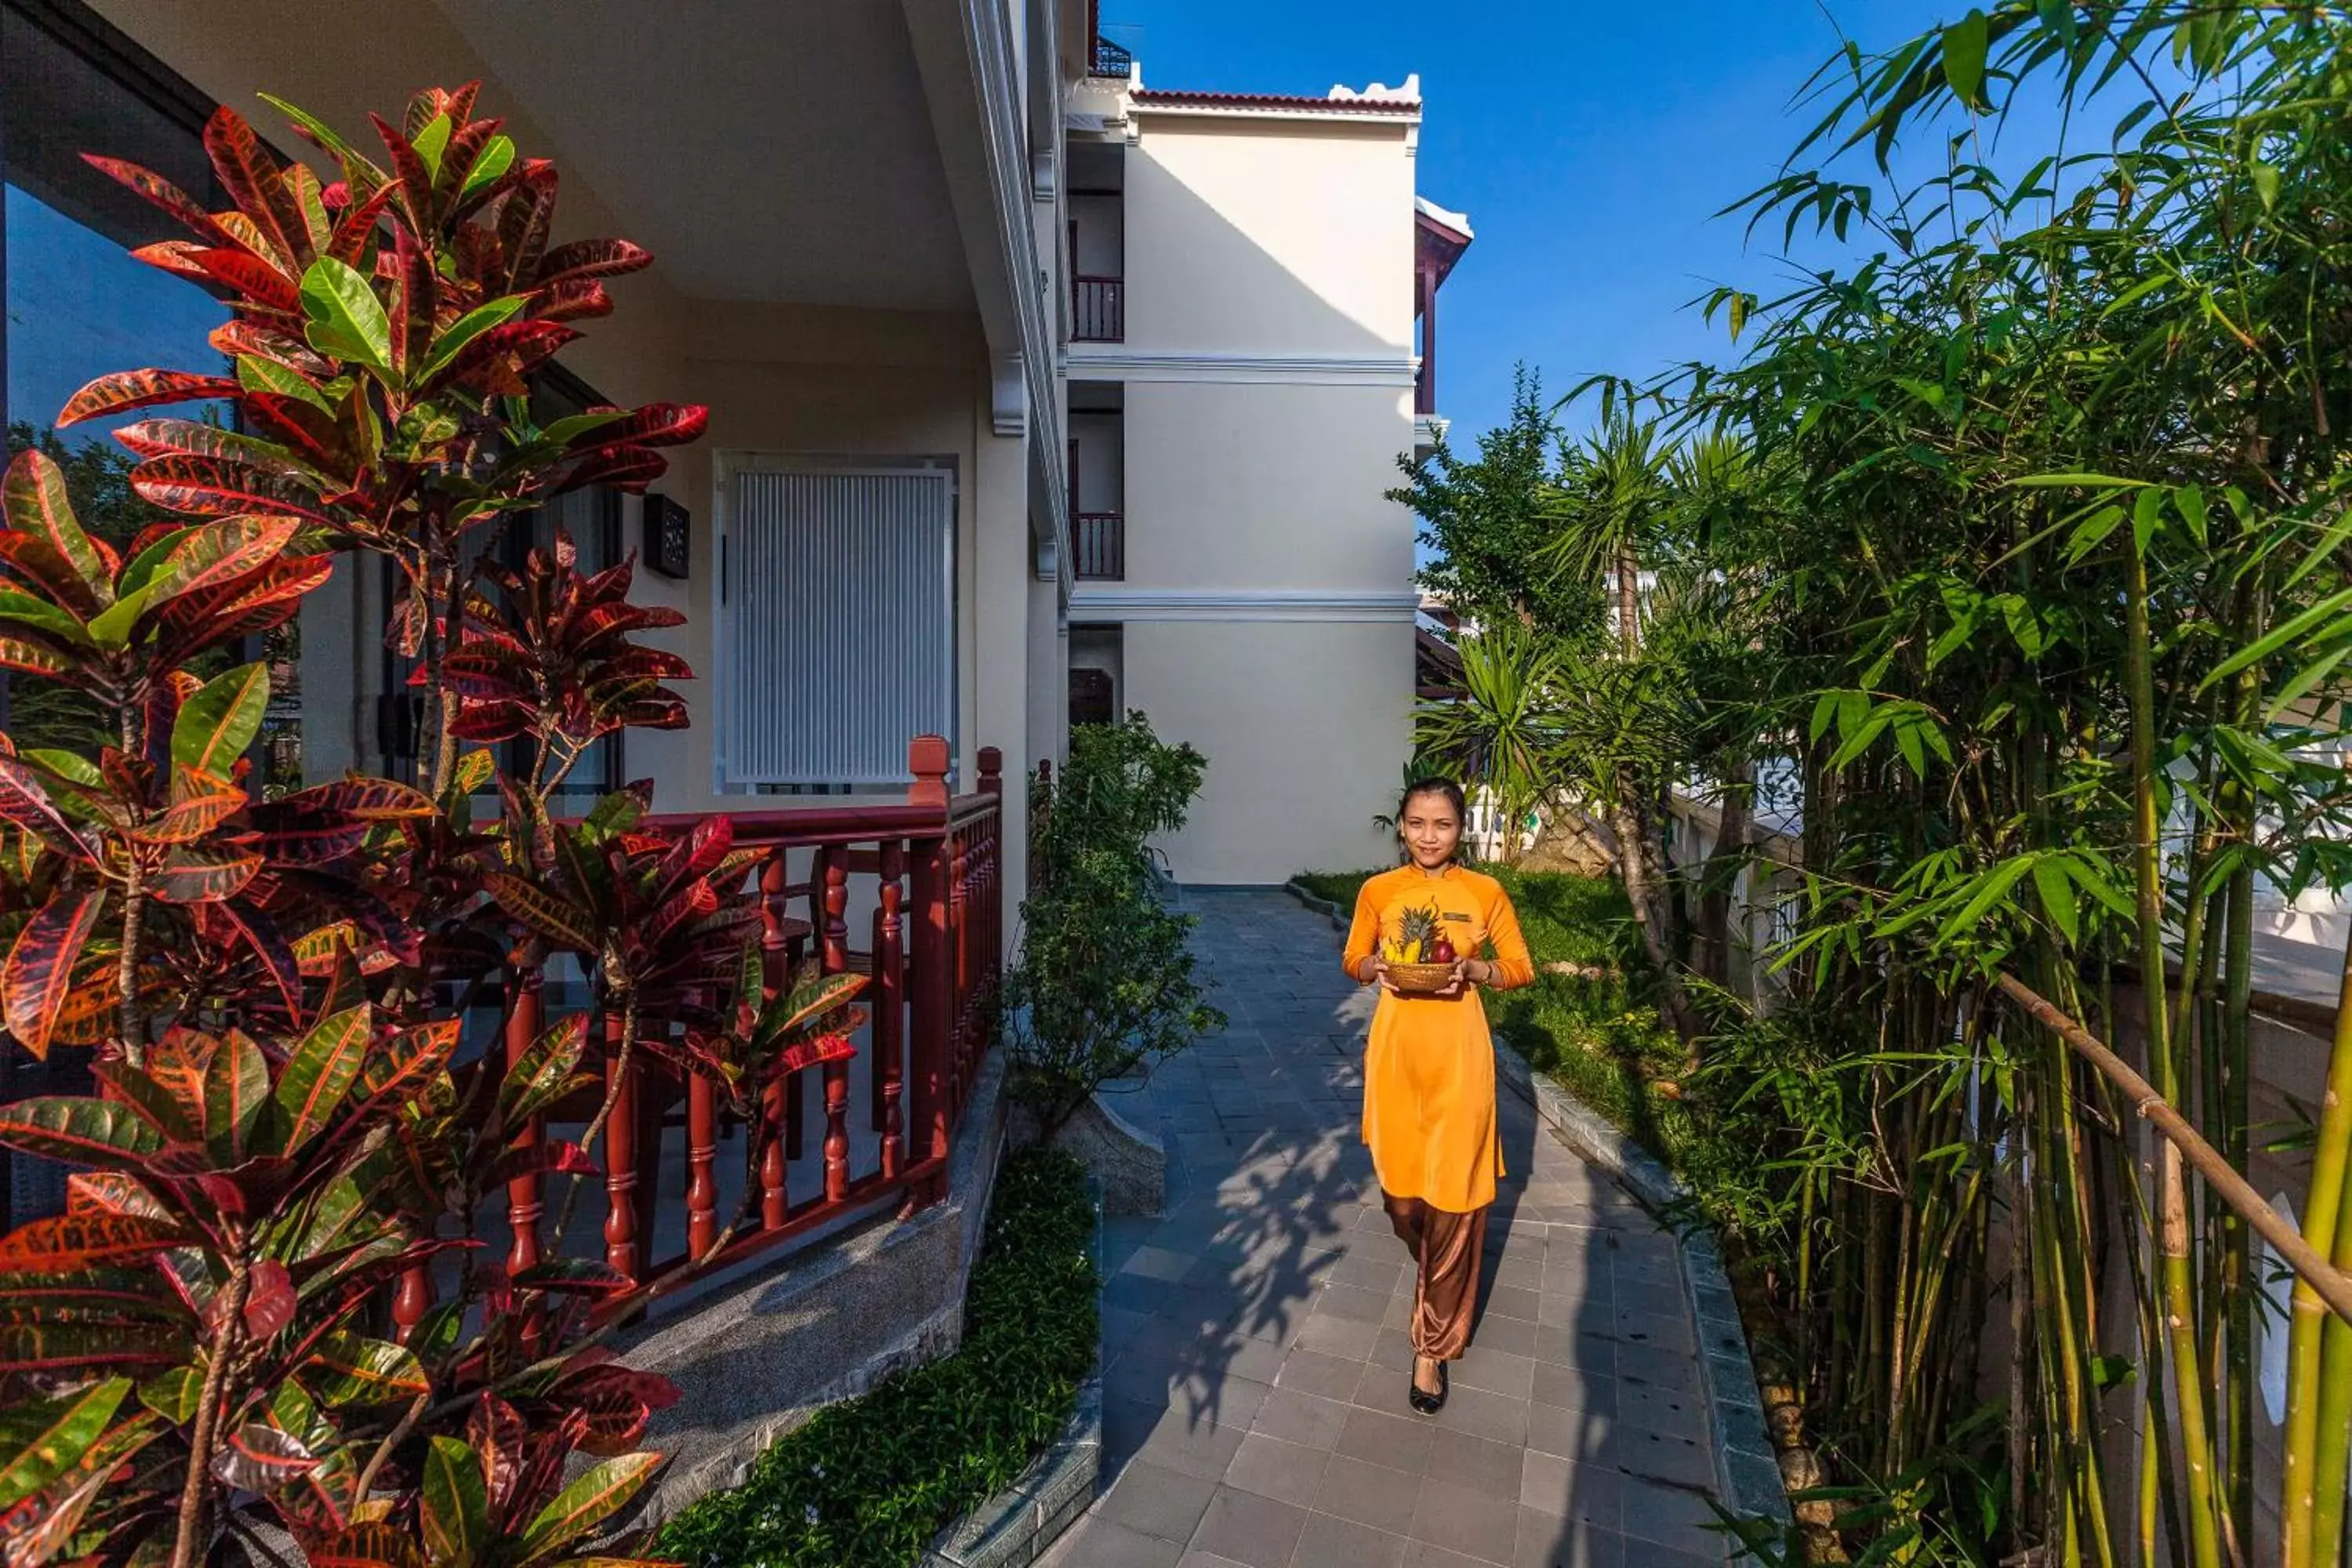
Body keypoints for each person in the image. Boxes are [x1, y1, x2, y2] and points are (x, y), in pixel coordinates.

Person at [1341, 778, 1533, 1414]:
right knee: (1404, 1203)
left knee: (1454, 1203)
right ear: (1401, 826)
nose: (1429, 836)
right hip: (1397, 1060)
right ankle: (1433, 1270)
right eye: (1418, 823)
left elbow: (1519, 968)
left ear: (1460, 830)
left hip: (1460, 1063)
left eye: (1443, 825)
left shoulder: (1485, 893)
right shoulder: (1379, 892)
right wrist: (1377, 967)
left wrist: (1477, 969)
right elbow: (1353, 960)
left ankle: (1431, 1348)